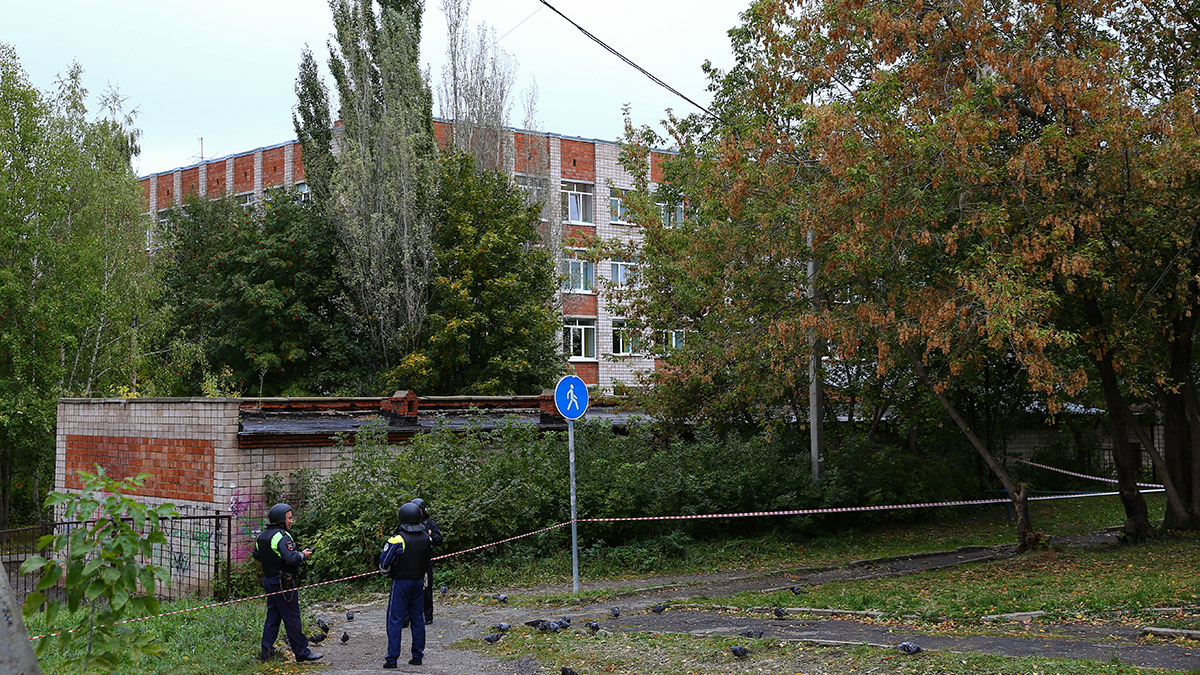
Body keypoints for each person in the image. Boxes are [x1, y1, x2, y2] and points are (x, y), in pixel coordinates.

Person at [254, 502, 323, 663]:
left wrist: (272, 561)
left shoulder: (262, 535)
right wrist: (303, 555)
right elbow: (291, 559)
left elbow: (256, 555)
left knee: (273, 617)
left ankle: (267, 652)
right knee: (292, 618)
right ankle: (301, 652)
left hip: (269, 581)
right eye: (289, 518)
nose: (291, 521)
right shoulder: (282, 536)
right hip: (283, 582)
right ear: (280, 520)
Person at [379, 501, 432, 668]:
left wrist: (387, 573)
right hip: (418, 582)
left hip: (401, 583)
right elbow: (428, 558)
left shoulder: (397, 539)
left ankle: (392, 659)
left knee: (395, 620)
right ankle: (417, 656)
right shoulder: (427, 538)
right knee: (418, 619)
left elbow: (384, 562)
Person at [411, 497, 443, 624]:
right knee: (409, 591)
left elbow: (439, 540)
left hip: (425, 563)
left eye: (418, 509)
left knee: (426, 590)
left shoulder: (429, 523)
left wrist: (430, 533)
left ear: (423, 510)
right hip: (410, 563)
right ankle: (407, 618)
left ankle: (427, 617)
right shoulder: (407, 524)